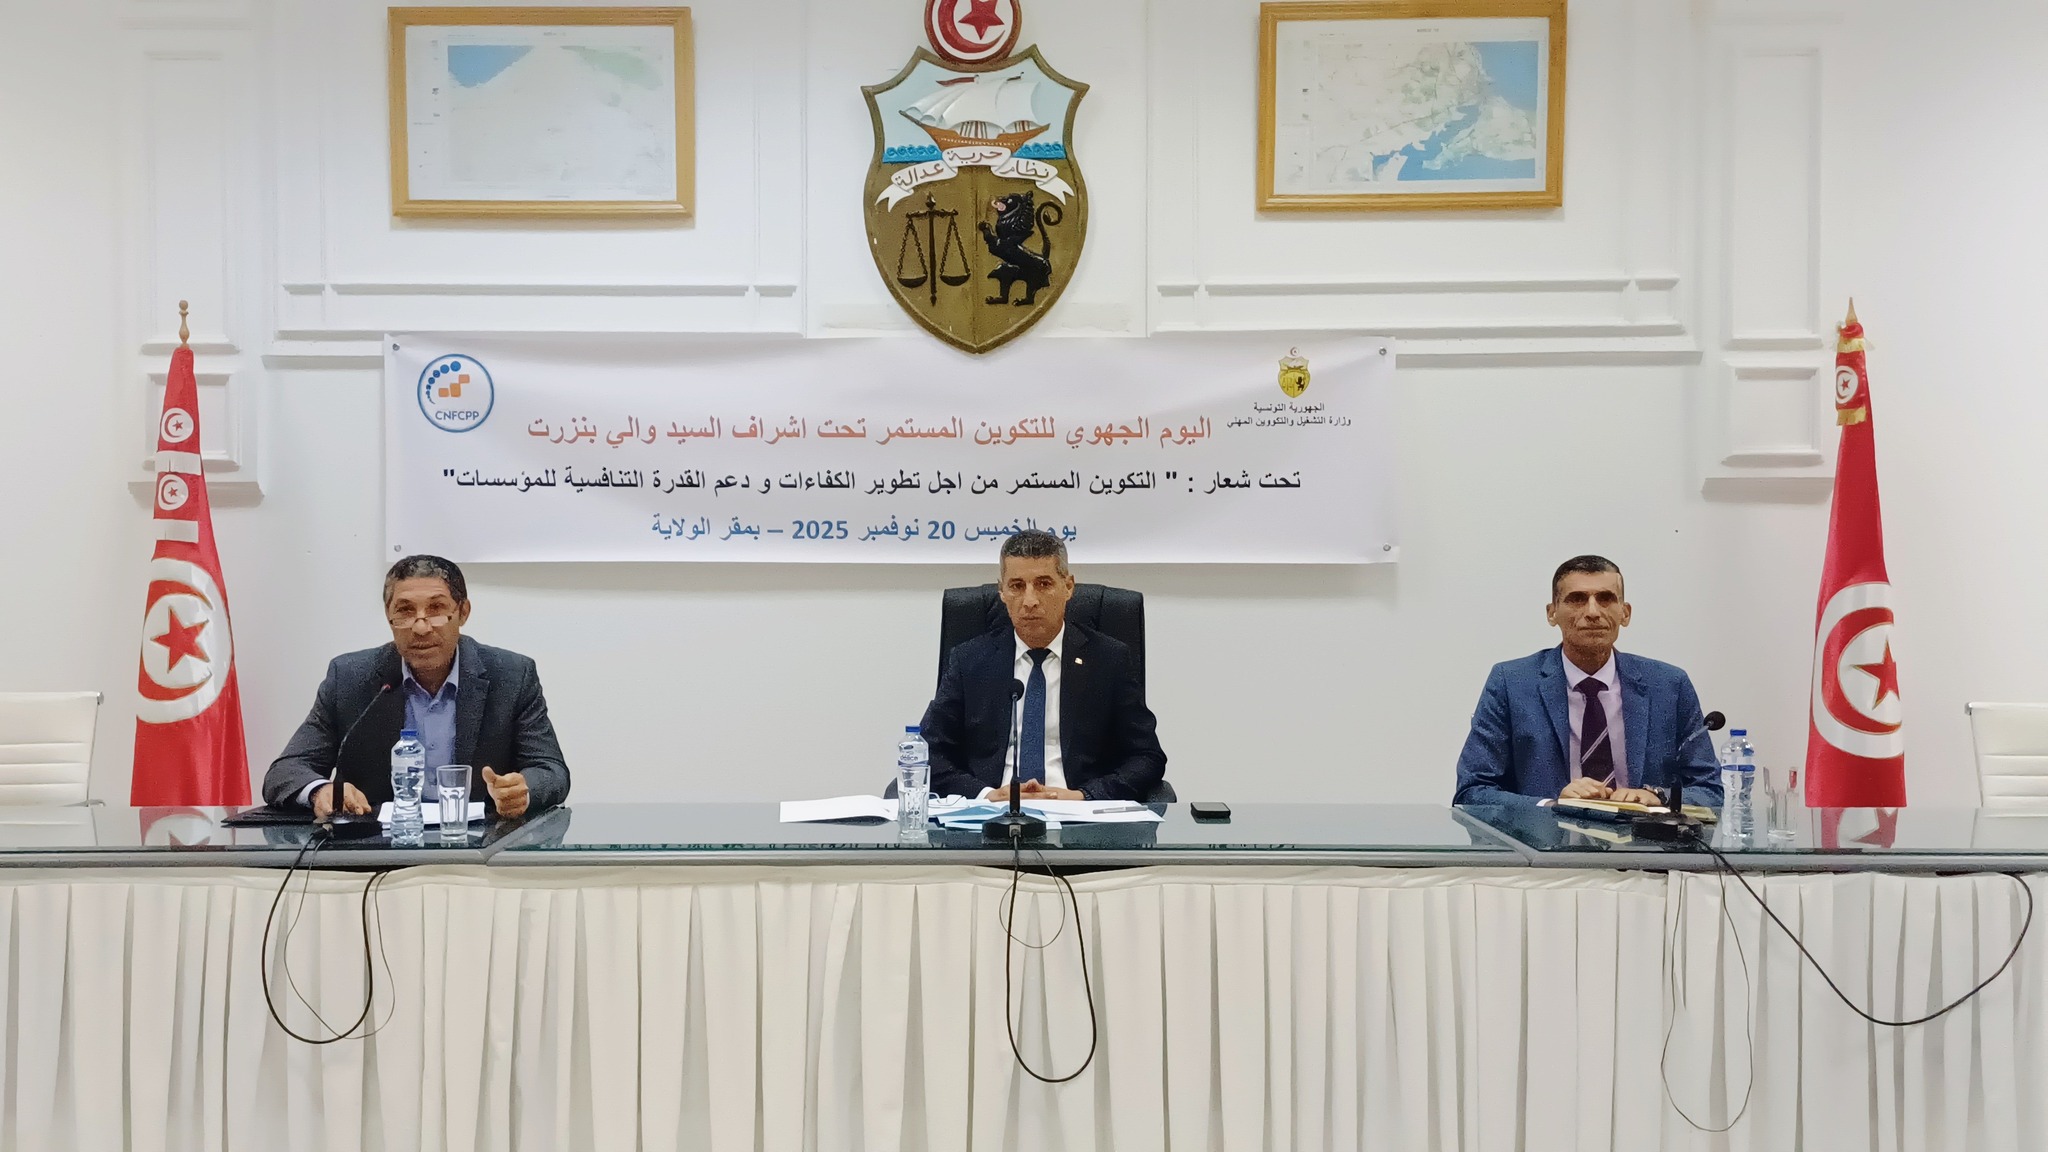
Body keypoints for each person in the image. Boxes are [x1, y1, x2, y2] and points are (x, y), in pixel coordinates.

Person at [263, 555, 569, 820]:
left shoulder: (511, 676)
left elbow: (550, 770)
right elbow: (286, 771)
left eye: (436, 609)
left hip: (478, 847)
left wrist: (522, 790)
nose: (421, 627)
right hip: (376, 849)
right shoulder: (350, 678)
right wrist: (320, 790)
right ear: (389, 616)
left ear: (462, 612)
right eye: (406, 611)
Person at [1454, 555, 1721, 809]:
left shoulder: (1669, 686)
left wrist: (1657, 797)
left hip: (1641, 839)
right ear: (1552, 613)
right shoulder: (1511, 683)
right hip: (1547, 839)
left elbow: (1709, 790)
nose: (1593, 612)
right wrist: (1552, 805)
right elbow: (1472, 792)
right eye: (1577, 599)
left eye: (1605, 599)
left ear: (1625, 613)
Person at [920, 530, 1167, 803]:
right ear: (1001, 591)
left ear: (1068, 587)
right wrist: (987, 795)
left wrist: (1085, 796)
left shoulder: (1110, 660)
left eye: (1043, 584)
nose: (1030, 601)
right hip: (991, 814)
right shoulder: (969, 661)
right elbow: (929, 752)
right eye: (1016, 586)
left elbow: (1146, 757)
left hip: (1079, 815)